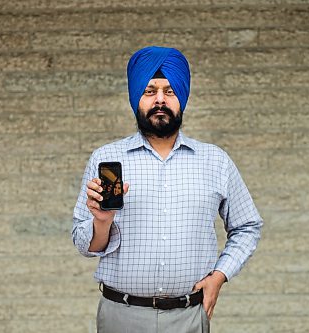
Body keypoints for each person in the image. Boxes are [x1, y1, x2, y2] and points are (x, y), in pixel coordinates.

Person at [72, 46, 263, 333]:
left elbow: (247, 226)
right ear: (136, 97)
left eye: (169, 91)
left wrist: (220, 276)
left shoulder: (215, 160)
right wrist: (102, 221)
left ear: (182, 98)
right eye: (150, 91)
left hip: (188, 317)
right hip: (120, 316)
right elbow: (84, 244)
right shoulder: (106, 158)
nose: (160, 100)